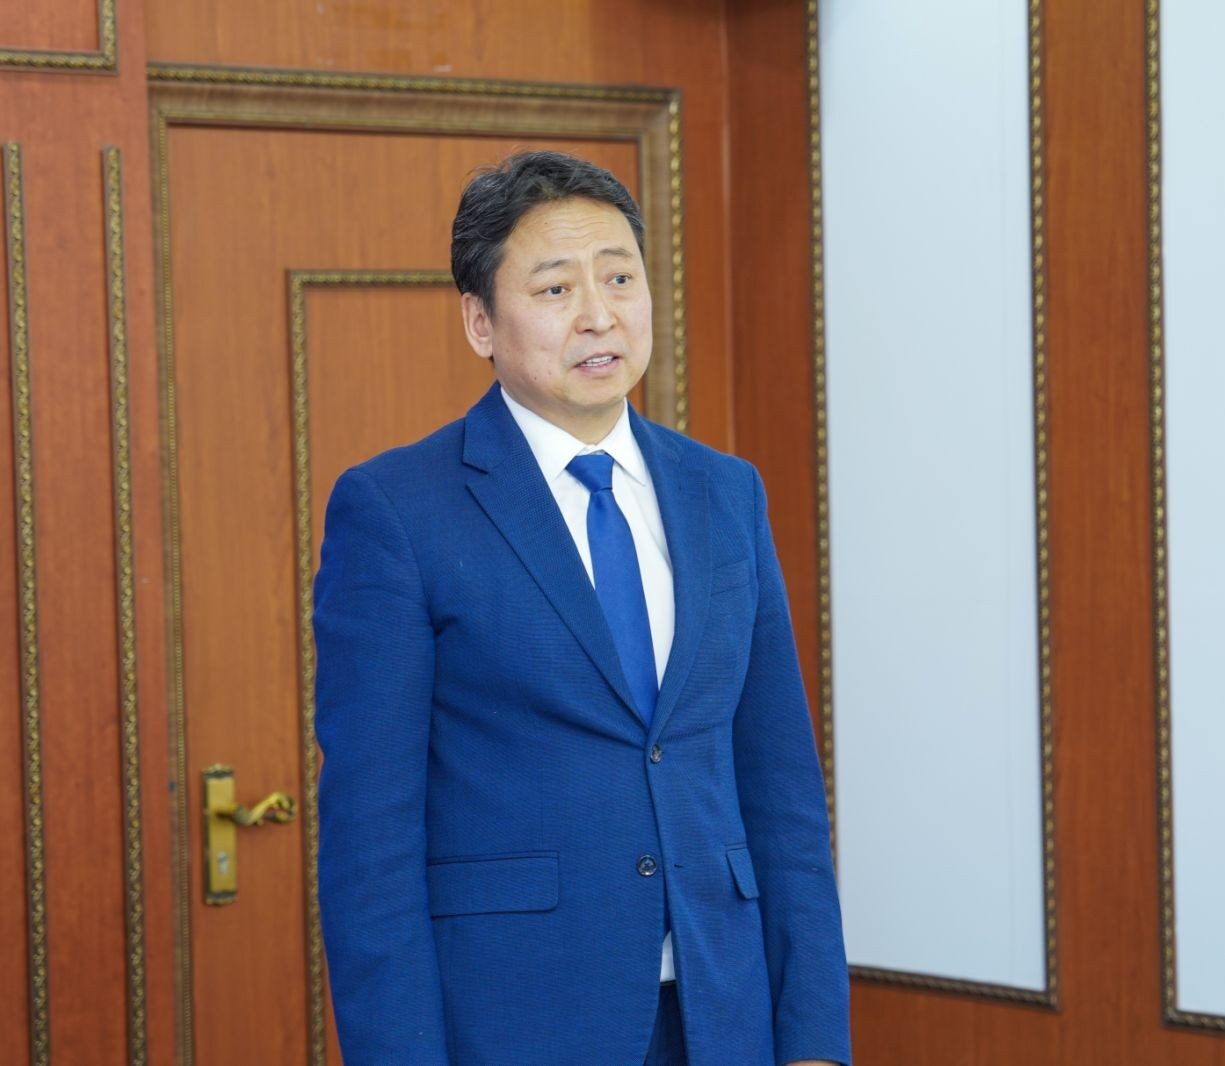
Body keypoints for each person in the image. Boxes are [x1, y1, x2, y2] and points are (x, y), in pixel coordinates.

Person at [314, 151, 851, 1066]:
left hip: (725, 1015)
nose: (599, 315)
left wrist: (813, 1044)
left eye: (619, 278)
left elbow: (784, 796)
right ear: (480, 322)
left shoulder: (726, 493)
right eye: (556, 288)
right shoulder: (398, 511)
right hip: (518, 1020)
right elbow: (371, 848)